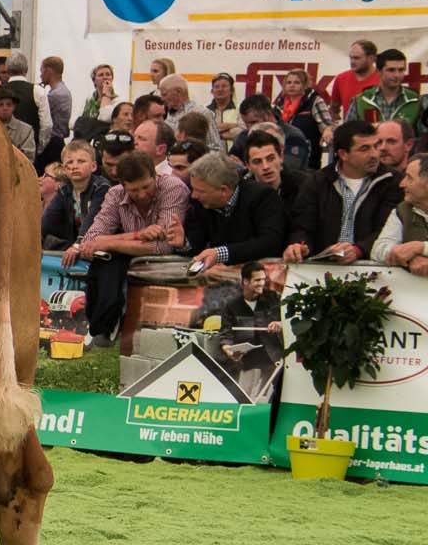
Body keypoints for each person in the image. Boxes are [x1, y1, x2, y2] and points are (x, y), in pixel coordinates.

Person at [62, 151, 190, 347]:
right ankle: (101, 328)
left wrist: (109, 242)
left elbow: (164, 245)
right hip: (130, 258)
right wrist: (137, 236)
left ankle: (105, 329)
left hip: (173, 261)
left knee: (110, 255)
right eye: (133, 190)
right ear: (123, 185)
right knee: (107, 261)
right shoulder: (115, 194)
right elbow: (90, 240)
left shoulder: (173, 187)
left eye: (146, 186)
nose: (141, 194)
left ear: (155, 176)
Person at [285, 119, 401, 262]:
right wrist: (299, 246)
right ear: (343, 154)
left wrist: (358, 250)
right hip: (322, 267)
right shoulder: (318, 181)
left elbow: (386, 231)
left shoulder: (392, 181)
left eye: (375, 146)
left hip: (372, 266)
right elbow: (302, 227)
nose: (375, 154)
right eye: (364, 149)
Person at [183, 151, 286, 271]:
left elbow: (269, 242)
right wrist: (184, 243)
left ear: (223, 190)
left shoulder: (262, 197)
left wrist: (220, 254)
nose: (194, 195)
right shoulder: (201, 202)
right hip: (220, 277)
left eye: (200, 191)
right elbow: (196, 246)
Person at [194, 262, 284, 397]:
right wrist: (228, 350)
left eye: (264, 279)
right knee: (245, 397)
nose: (262, 283)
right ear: (246, 281)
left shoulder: (274, 298)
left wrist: (280, 324)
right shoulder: (232, 306)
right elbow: (226, 334)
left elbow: (288, 320)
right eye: (257, 280)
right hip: (246, 360)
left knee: (267, 397)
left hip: (273, 358)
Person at [41, 139, 109, 250]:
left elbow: (91, 220)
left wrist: (78, 244)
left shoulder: (101, 188)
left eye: (81, 161)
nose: (74, 166)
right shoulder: (64, 191)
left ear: (94, 166)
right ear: (64, 169)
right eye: (69, 162)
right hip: (75, 245)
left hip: (98, 246)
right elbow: (47, 222)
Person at [370, 154, 428, 277]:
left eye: (409, 178)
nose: (402, 184)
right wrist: (407, 256)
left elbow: (419, 248)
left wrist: (422, 248)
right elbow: (378, 249)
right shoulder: (403, 210)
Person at [232, 94, 312, 171]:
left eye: (253, 122)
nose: (249, 128)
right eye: (246, 123)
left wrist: (245, 169)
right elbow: (230, 161)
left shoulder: (293, 136)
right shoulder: (243, 137)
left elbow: (288, 169)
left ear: (268, 115)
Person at [240, 128, 309, 215]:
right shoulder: (242, 193)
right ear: (248, 165)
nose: (266, 167)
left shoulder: (303, 186)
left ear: (281, 157)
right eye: (257, 162)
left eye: (271, 159)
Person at [349, 47, 421, 129]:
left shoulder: (416, 100)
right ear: (378, 71)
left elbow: (423, 137)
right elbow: (348, 135)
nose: (397, 75)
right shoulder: (361, 100)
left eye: (401, 70)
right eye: (391, 70)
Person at [0, 52, 48, 162]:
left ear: (7, 70)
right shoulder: (38, 91)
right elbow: (46, 125)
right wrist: (39, 147)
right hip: (30, 152)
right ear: (26, 70)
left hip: (3, 152)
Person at [329, 38, 381, 116]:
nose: (352, 61)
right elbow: (334, 108)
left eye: (357, 58)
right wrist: (334, 124)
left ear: (371, 58)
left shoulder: (383, 79)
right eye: (351, 57)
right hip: (350, 127)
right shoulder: (341, 78)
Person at [0, 88, 36, 164]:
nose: (5, 108)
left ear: (14, 107)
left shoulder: (26, 130)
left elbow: (28, 159)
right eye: (0, 105)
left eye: (9, 105)